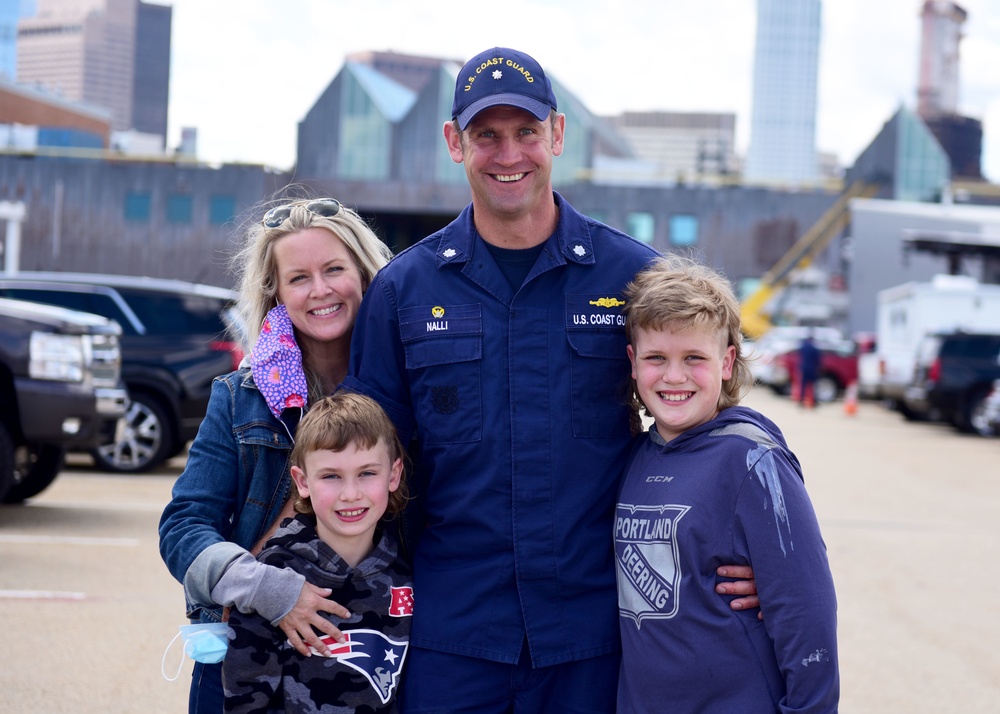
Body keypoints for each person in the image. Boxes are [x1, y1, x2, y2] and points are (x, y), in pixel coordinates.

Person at [344, 46, 759, 712]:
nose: (509, 154)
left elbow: (712, 416)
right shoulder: (404, 291)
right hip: (453, 639)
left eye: (526, 133)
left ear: (557, 135)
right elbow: (362, 459)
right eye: (487, 136)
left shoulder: (632, 279)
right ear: (455, 143)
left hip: (596, 635)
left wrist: (749, 548)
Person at [158, 196, 394, 713]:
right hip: (250, 655)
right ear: (278, 294)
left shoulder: (405, 394)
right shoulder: (239, 397)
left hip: (377, 660)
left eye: (334, 269)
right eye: (299, 278)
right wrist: (267, 587)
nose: (321, 290)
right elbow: (183, 527)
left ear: (366, 275)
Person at [615, 255, 839, 712]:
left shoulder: (753, 462)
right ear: (633, 363)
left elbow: (805, 612)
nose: (674, 376)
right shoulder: (634, 457)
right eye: (657, 358)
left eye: (694, 358)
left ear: (726, 361)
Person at [222, 391, 413, 713]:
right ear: (302, 481)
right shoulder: (274, 576)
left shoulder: (405, 573)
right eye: (331, 476)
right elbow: (245, 698)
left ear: (393, 475)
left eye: (367, 473)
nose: (351, 494)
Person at [798, 331, 822, 407]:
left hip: (804, 368)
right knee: (813, 385)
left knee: (803, 385)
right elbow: (818, 360)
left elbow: (800, 356)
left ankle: (801, 400)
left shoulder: (804, 346)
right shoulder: (814, 348)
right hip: (812, 368)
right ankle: (814, 401)